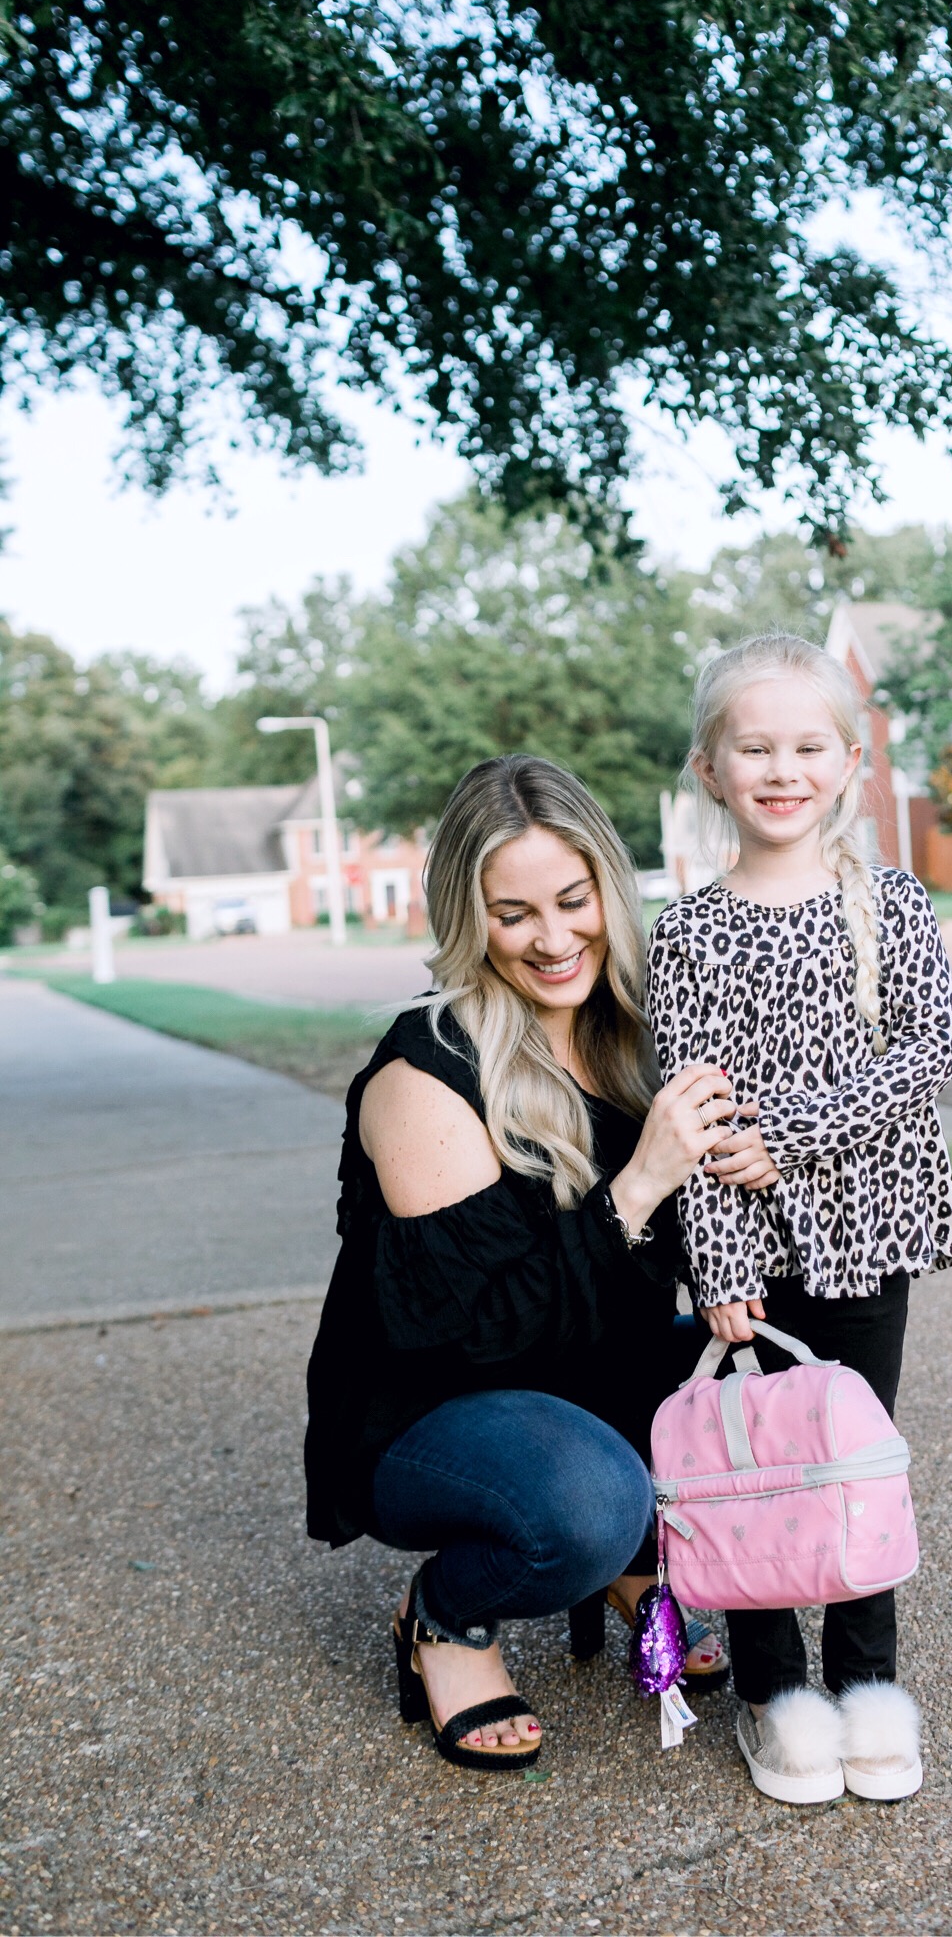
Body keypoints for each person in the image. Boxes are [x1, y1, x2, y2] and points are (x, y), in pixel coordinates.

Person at [305, 755, 732, 1774]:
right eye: (514, 913)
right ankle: (447, 1615)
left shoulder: (626, 1031)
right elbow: (474, 1333)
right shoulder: (428, 1073)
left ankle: (632, 1562)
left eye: (574, 900)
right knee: (581, 1505)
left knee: (775, 1384)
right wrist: (635, 1187)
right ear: (469, 918)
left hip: (581, 1377)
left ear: (609, 890)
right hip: (435, 1410)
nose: (553, 938)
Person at [646, 631, 952, 1805]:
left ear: (851, 761)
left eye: (808, 745)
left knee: (855, 1459)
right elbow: (692, 1111)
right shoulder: (689, 933)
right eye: (756, 746)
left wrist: (795, 1134)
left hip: (873, 1230)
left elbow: (929, 1051)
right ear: (711, 768)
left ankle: (870, 1685)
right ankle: (778, 1697)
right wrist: (717, 1263)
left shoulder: (891, 902)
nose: (783, 767)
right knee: (763, 1464)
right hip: (751, 1252)